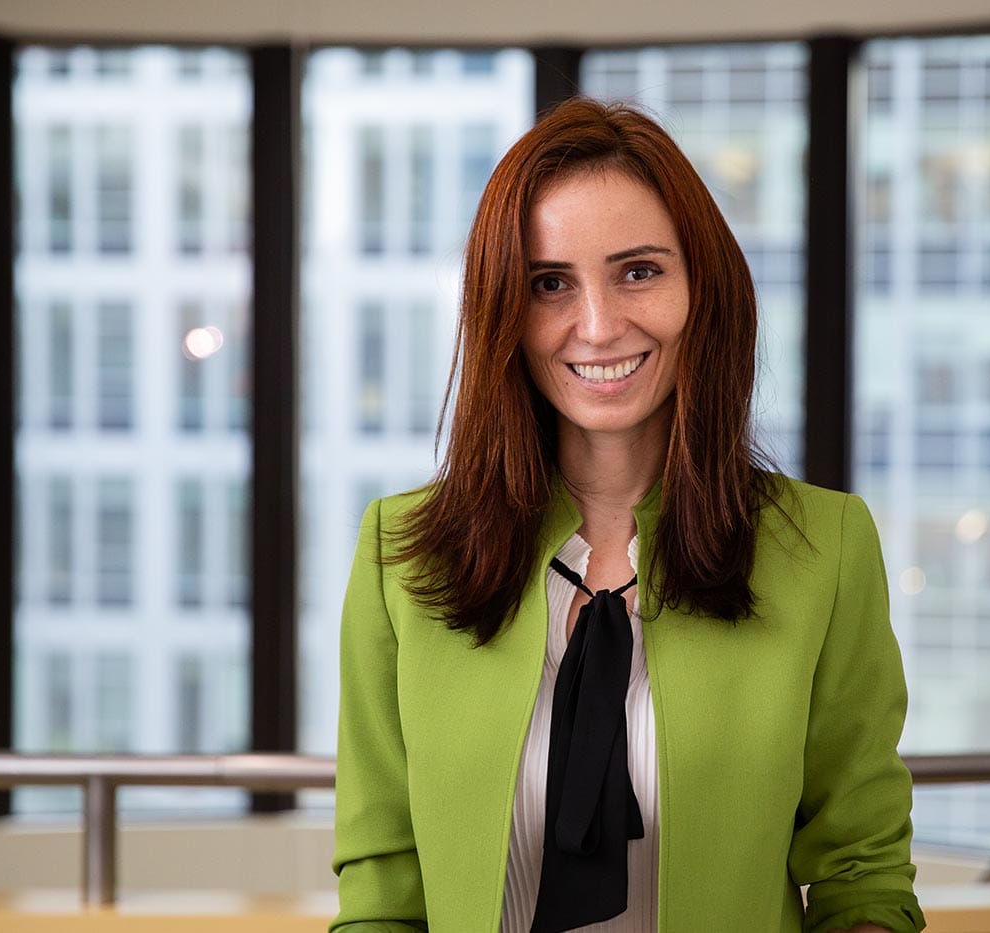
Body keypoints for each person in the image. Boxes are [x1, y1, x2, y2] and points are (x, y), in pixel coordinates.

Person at [330, 98, 925, 933]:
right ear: (503, 309)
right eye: (549, 283)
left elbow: (862, 875)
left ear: (701, 288)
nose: (600, 326)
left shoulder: (823, 549)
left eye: (639, 270)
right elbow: (382, 892)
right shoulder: (401, 554)